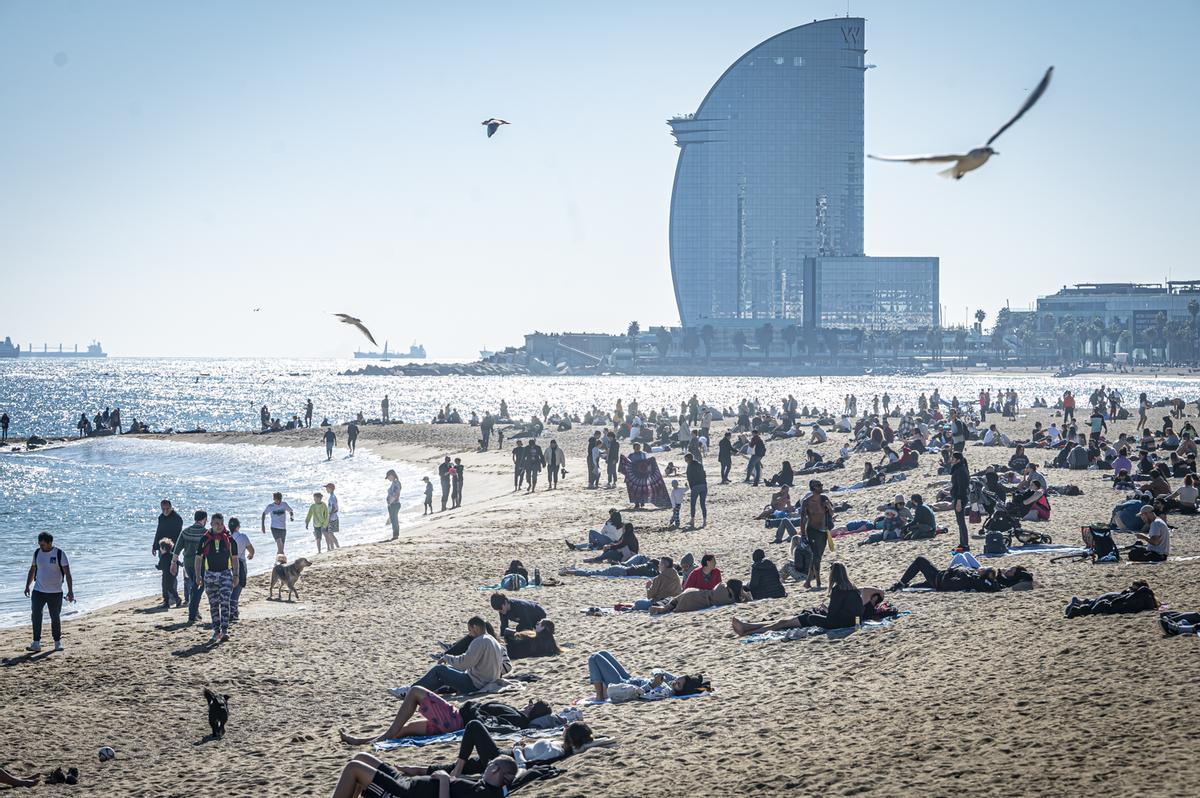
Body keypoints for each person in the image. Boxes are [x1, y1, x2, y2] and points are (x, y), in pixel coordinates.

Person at [733, 562, 863, 635]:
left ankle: (748, 630)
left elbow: (832, 616)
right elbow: (856, 611)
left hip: (836, 622)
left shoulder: (838, 590)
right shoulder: (853, 588)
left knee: (785, 622)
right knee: (785, 620)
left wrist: (824, 610)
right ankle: (748, 626)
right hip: (848, 621)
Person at [330, 750, 517, 798]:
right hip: (408, 782)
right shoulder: (489, 788)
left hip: (407, 792)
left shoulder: (482, 794)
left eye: (490, 764)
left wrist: (444, 779)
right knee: (362, 757)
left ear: (494, 769)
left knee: (354, 768)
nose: (487, 766)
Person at [415, 616, 507, 694]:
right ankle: (420, 690)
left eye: (470, 630)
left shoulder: (480, 641)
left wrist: (447, 658)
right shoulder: (494, 641)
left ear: (475, 627)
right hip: (488, 681)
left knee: (439, 670)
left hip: (475, 684)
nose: (470, 634)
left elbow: (465, 663)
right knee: (445, 674)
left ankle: (412, 690)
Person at [24, 532, 74, 652]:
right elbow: (32, 569)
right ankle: (36, 643)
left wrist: (70, 591)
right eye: (39, 544)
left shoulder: (59, 553)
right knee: (36, 616)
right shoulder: (37, 553)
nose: (41, 547)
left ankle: (57, 642)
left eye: (43, 545)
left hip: (55, 592)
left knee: (55, 617)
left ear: (50, 543)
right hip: (38, 591)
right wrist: (27, 586)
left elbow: (68, 574)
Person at [196, 513, 236, 644]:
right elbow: (198, 559)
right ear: (211, 524)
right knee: (213, 604)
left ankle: (224, 631)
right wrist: (198, 576)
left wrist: (236, 575)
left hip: (225, 574)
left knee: (225, 602)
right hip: (210, 575)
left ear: (223, 524)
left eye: (220, 524)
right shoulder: (205, 539)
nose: (218, 526)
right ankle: (216, 631)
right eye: (215, 524)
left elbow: (234, 559)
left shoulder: (229, 539)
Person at [891, 556, 1033, 592]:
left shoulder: (996, 580)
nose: (1008, 569)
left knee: (920, 561)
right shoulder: (993, 580)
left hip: (944, 579)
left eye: (1012, 571)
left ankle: (901, 583)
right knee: (915, 586)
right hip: (948, 579)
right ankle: (905, 585)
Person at [799, 479, 835, 589]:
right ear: (814, 487)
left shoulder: (824, 498)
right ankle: (818, 581)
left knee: (817, 556)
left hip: (824, 530)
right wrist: (803, 535)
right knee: (816, 556)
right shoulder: (807, 502)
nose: (822, 487)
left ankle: (808, 582)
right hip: (812, 530)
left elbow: (832, 513)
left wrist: (828, 507)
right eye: (820, 485)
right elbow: (803, 519)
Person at [650, 580, 748, 615]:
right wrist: (745, 595)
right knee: (674, 608)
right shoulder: (728, 600)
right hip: (695, 600)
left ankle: (660, 608)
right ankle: (661, 608)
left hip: (692, 591)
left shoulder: (720, 586)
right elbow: (744, 601)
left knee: (672, 604)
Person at [178, 510, 208, 623]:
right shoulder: (205, 533)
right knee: (198, 587)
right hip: (200, 564)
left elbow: (177, 548)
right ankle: (192, 613)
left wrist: (173, 562)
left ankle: (195, 611)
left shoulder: (186, 531)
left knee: (193, 586)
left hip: (187, 563)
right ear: (204, 519)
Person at [229, 517, 254, 623]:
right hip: (240, 562)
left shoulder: (227, 537)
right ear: (238, 526)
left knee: (231, 588)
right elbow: (251, 549)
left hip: (228, 563)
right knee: (238, 587)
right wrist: (251, 555)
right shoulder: (243, 537)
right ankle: (232, 611)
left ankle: (234, 611)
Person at [950, 450, 971, 551]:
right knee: (960, 522)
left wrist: (958, 501)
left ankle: (965, 544)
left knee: (961, 522)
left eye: (953, 458)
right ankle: (962, 542)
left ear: (958, 460)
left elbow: (961, 487)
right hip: (959, 498)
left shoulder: (960, 470)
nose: (951, 460)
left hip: (960, 498)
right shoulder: (959, 468)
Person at [156, 537, 181, 609]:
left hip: (166, 574)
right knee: (170, 587)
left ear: (163, 548)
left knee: (166, 588)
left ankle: (168, 601)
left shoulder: (163, 556)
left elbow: (160, 566)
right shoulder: (172, 555)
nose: (160, 549)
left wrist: (157, 567)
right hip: (173, 574)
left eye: (160, 547)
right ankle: (176, 599)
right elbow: (177, 562)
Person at [684, 452, 707, 528]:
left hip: (695, 486)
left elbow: (689, 478)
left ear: (689, 459)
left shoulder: (689, 467)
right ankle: (704, 521)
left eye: (686, 460)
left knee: (693, 504)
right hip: (703, 485)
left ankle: (692, 520)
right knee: (702, 504)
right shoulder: (700, 464)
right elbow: (704, 474)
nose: (685, 462)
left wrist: (691, 487)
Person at [385, 469, 403, 540]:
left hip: (395, 504)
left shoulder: (396, 482)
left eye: (388, 477)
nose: (388, 479)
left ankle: (395, 535)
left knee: (394, 520)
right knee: (393, 520)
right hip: (392, 504)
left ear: (392, 475)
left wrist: (390, 502)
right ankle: (395, 535)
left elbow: (396, 494)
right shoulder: (394, 483)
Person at [324, 482, 341, 549]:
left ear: (330, 489)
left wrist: (329, 515)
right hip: (332, 517)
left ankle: (337, 546)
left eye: (327, 488)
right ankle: (332, 547)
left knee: (330, 534)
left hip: (332, 518)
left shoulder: (332, 497)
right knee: (329, 533)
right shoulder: (332, 496)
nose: (326, 489)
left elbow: (335, 508)